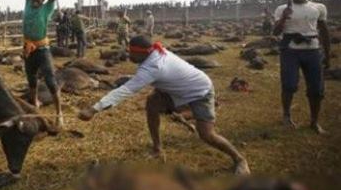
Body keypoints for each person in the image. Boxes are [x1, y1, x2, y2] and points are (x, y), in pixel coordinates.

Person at [78, 36, 250, 175]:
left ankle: (239, 159)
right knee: (152, 104)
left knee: (206, 134)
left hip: (199, 91)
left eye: (131, 53)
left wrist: (94, 108)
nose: (129, 56)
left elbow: (125, 90)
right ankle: (157, 149)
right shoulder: (155, 53)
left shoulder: (152, 67)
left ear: (141, 53)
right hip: (176, 90)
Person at [273, 0, 330, 134]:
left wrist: (328, 54)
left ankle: (314, 121)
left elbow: (324, 31)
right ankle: (286, 115)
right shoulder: (282, 9)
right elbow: (276, 32)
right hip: (290, 50)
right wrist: (284, 17)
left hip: (312, 50)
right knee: (289, 85)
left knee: (316, 89)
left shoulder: (317, 8)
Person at [23, 0, 63, 127]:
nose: (36, 3)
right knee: (31, 80)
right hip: (28, 49)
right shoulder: (27, 3)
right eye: (35, 0)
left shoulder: (47, 8)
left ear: (42, 0)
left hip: (42, 50)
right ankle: (34, 105)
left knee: (50, 81)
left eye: (39, 0)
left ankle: (59, 113)